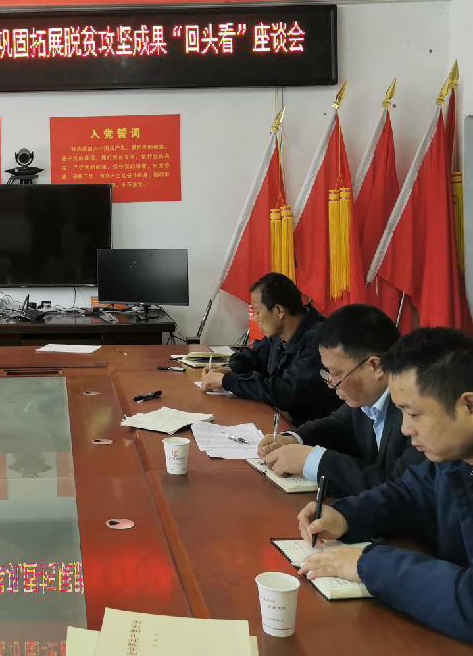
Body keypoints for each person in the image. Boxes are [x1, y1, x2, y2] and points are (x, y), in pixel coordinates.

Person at [298, 327, 472, 643]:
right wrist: (346, 516)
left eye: (414, 414)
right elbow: (409, 494)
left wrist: (370, 564)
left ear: (468, 406)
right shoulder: (453, 457)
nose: (405, 429)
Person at [257, 303, 423, 495]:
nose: (332, 384)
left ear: (375, 366)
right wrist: (292, 439)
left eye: (336, 374)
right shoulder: (367, 397)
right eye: (328, 373)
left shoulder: (418, 409)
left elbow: (401, 488)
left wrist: (313, 461)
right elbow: (336, 426)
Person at [200, 272, 339, 424]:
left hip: (311, 429)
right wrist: (228, 369)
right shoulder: (280, 333)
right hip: (281, 418)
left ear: (279, 311)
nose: (255, 319)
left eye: (257, 312)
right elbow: (254, 357)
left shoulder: (319, 341)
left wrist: (226, 380)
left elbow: (287, 392)